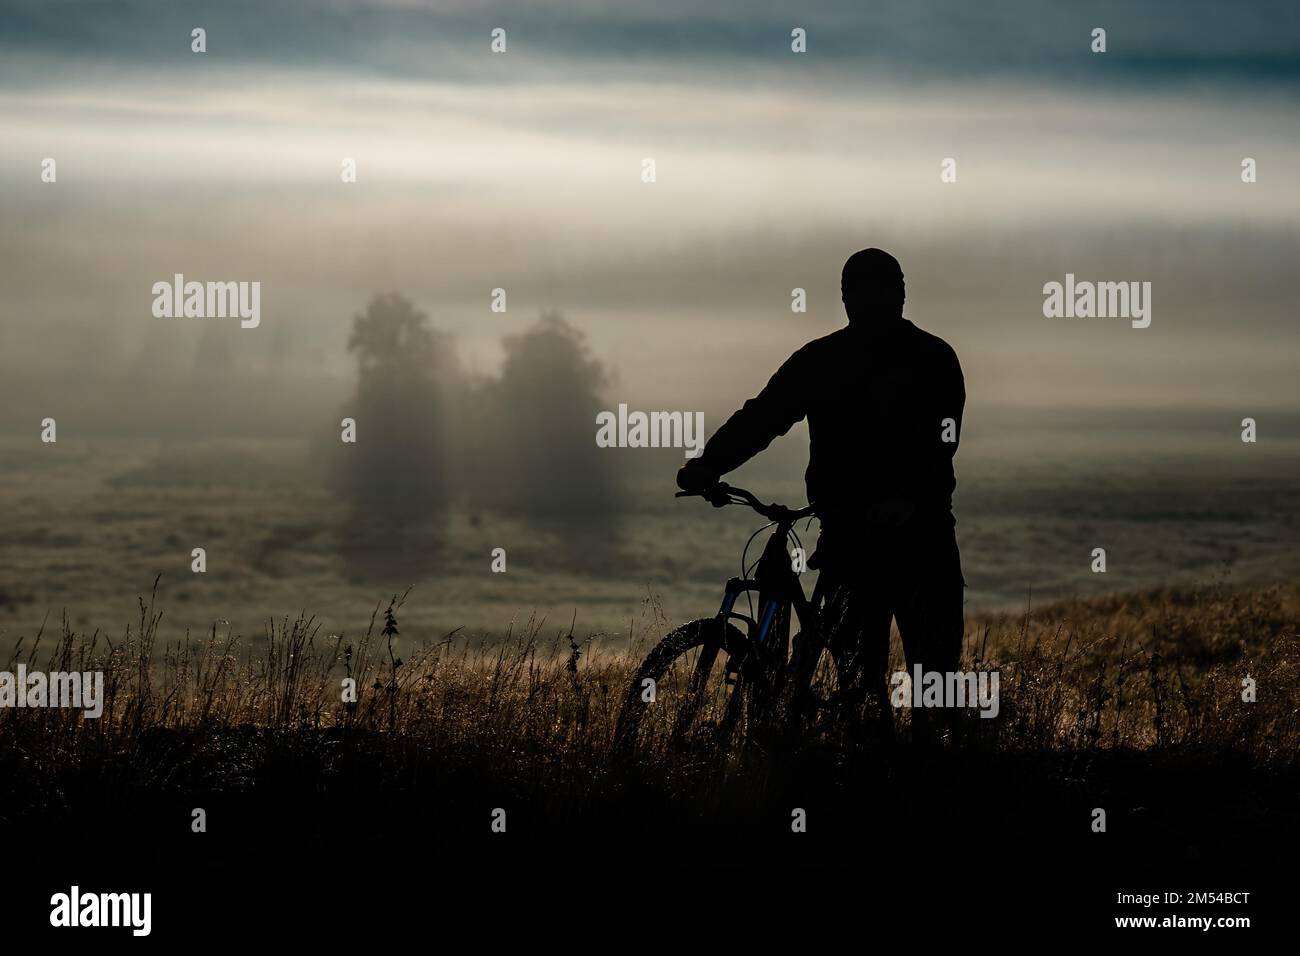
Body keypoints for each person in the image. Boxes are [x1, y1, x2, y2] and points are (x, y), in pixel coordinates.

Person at [676, 248, 966, 741]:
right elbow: (762, 418)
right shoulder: (916, 356)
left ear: (896, 296)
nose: (872, 303)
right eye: (864, 293)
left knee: (920, 690)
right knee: (875, 690)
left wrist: (904, 500)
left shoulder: (903, 359)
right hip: (867, 539)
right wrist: (708, 465)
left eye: (880, 292)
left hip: (915, 541)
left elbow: (941, 442)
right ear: (850, 298)